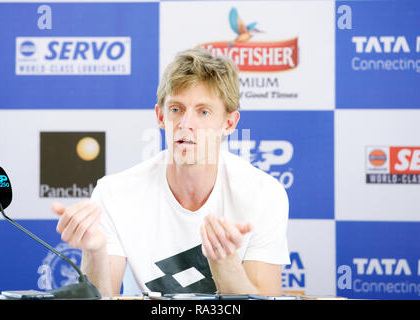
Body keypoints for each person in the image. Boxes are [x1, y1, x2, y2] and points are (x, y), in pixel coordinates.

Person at [51, 47, 290, 297]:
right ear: (161, 116)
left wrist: (226, 264)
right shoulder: (114, 193)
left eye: (203, 111)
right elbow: (101, 298)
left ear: (229, 123)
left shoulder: (264, 194)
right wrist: (94, 251)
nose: (186, 124)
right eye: (176, 109)